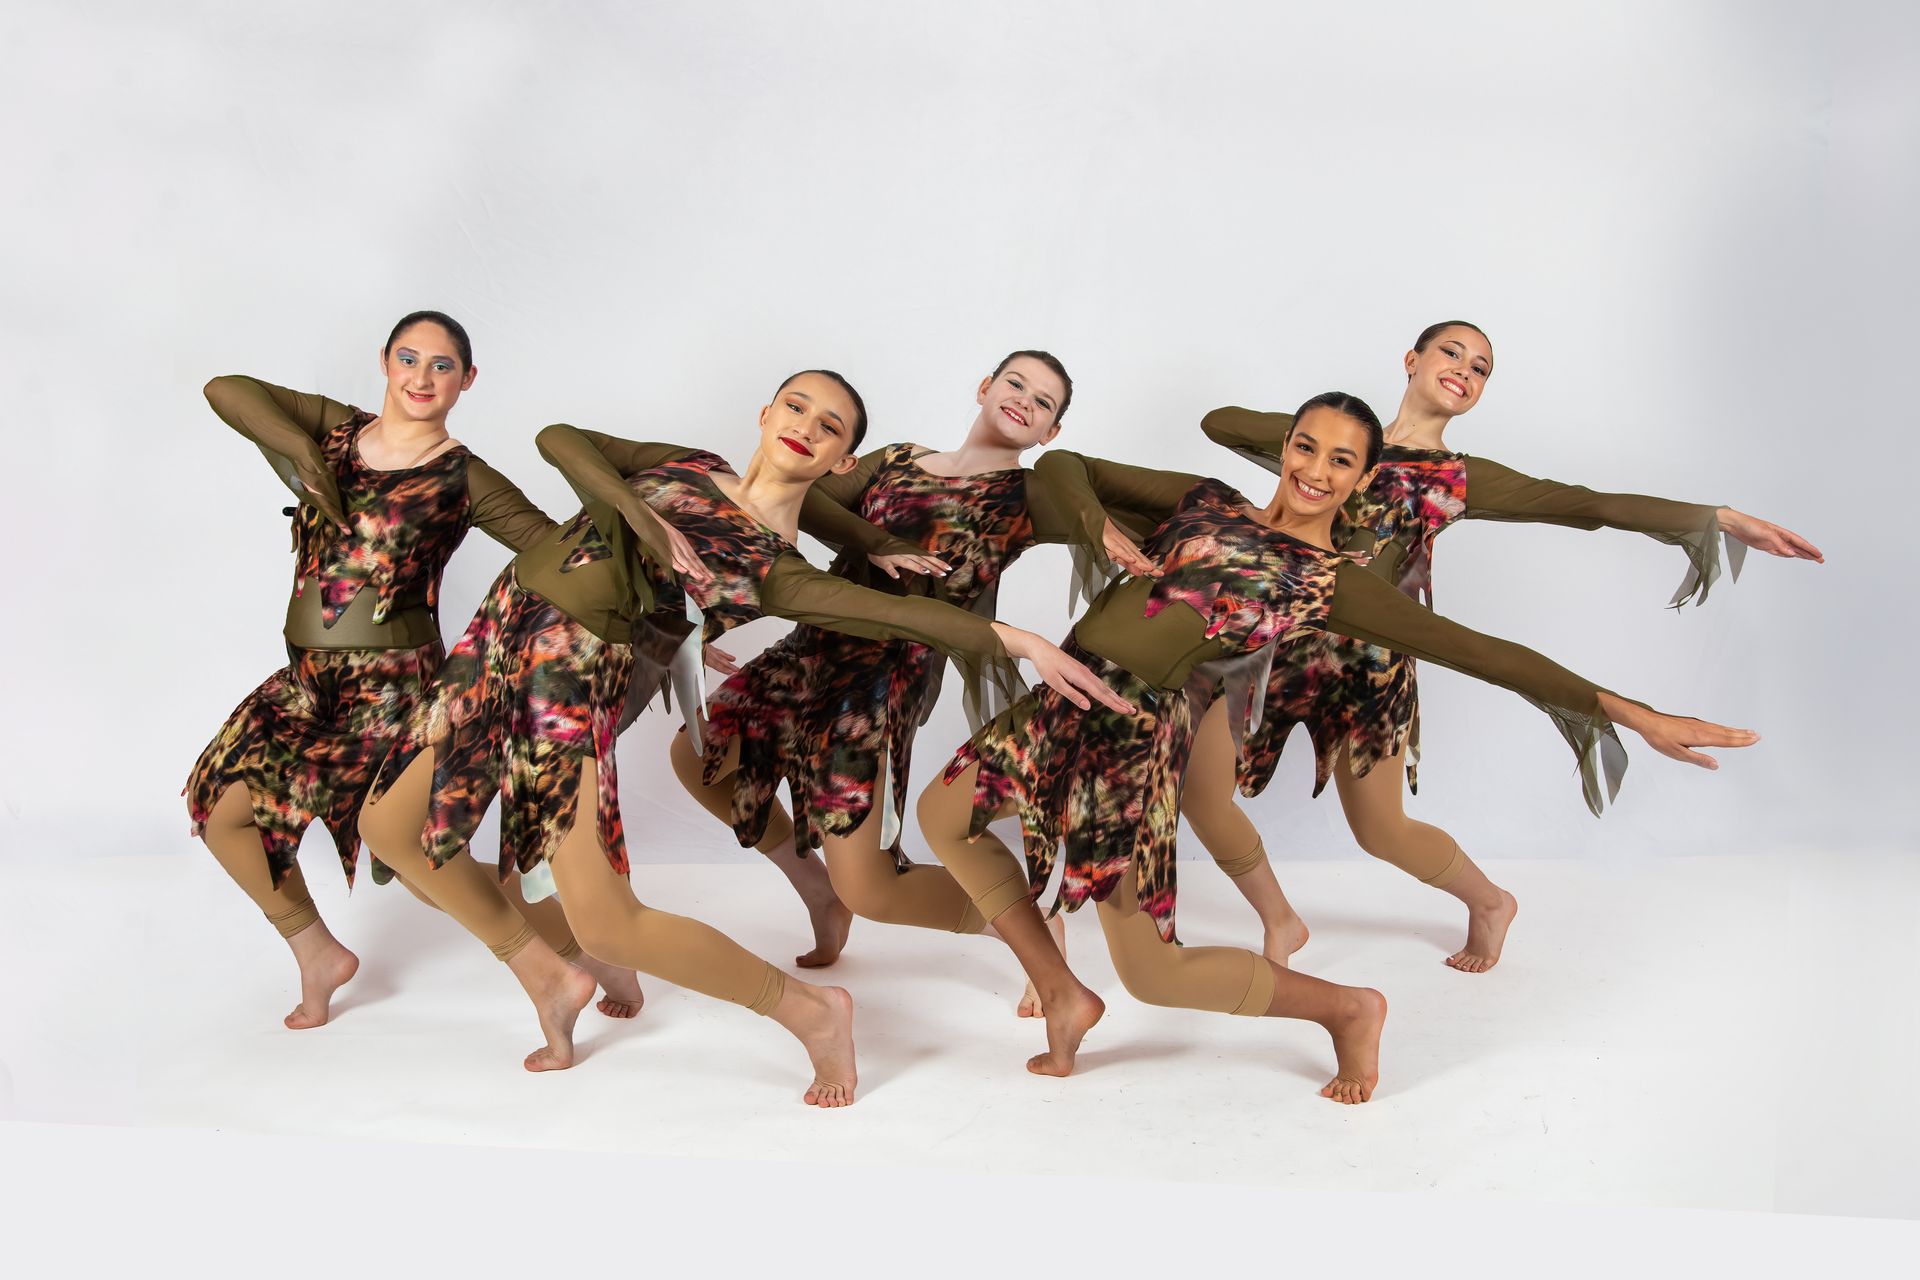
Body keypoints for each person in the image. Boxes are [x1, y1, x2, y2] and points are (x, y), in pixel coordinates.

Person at [917, 392, 1759, 1101]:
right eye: (1306, 447)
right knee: (943, 814)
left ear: (1363, 478)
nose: (1316, 471)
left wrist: (1632, 711)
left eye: (1342, 461)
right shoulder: (1206, 500)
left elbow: (1481, 652)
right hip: (1059, 698)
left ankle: (1347, 1010)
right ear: (1284, 446)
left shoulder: (1328, 581)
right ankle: (1062, 991)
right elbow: (1065, 466)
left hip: (1130, 745)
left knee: (1152, 975)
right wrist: (1097, 526)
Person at [363, 369, 1131, 1103]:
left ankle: (808, 1011)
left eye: (830, 426)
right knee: (389, 827)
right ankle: (553, 970)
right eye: (795, 406)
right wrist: (639, 516)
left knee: (607, 918)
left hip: (561, 691)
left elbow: (906, 614)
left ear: (842, 461)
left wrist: (1021, 641)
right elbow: (560, 438)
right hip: (492, 644)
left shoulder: (776, 569)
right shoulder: (692, 466)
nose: (806, 426)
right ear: (766, 415)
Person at [1190, 322, 1821, 972]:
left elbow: (1587, 505)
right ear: (1411, 360)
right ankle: (1281, 921)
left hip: (1368, 670)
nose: (1465, 369)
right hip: (1275, 645)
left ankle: (1490, 901)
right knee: (1202, 791)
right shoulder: (1340, 443)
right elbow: (1220, 423)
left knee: (1381, 832)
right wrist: (1323, 437)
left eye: (1481, 368)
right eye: (1452, 352)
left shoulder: (1460, 479)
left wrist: (1713, 518)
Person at [187, 312, 637, 1031]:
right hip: (308, 686)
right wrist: (304, 458)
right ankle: (318, 953)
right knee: (223, 810)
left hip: (395, 690)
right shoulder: (335, 432)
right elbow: (225, 389)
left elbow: (557, 551)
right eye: (408, 358)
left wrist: (652, 617)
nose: (422, 377)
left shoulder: (464, 477)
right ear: (385, 361)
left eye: (442, 365)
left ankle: (571, 960)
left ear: (467, 379)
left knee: (424, 863)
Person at [672, 351, 1160, 994]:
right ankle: (817, 891)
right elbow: (803, 496)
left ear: (1051, 431)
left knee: (873, 890)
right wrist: (873, 541)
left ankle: (1025, 925)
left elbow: (1143, 517)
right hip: (810, 647)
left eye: (1043, 402)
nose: (1024, 399)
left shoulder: (1029, 493)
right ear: (984, 387)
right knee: (697, 754)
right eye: (1015, 383)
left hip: (880, 683)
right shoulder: (897, 458)